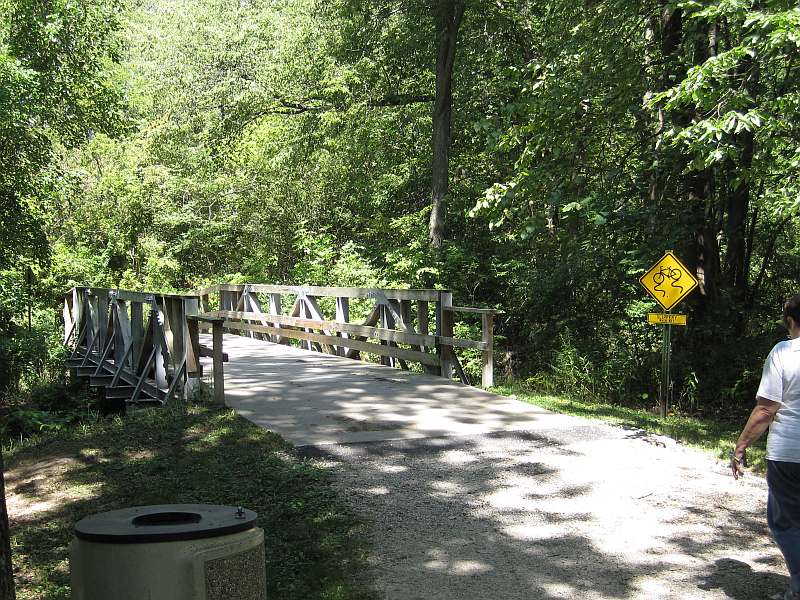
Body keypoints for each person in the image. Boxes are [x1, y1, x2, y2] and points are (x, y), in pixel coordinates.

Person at [732, 293, 800, 600]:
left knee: (785, 521)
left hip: (790, 454)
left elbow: (765, 411)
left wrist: (741, 446)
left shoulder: (785, 352)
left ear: (790, 321)